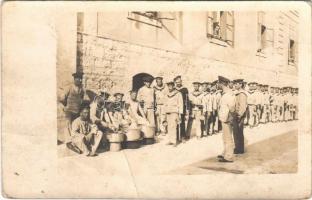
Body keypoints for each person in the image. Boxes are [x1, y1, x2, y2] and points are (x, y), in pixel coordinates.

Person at [59, 72, 89, 149]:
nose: (79, 80)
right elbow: (62, 99)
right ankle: (68, 142)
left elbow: (84, 99)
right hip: (69, 111)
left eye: (80, 79)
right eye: (78, 79)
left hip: (77, 111)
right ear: (74, 79)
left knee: (74, 126)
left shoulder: (81, 89)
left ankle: (75, 142)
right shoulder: (69, 88)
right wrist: (65, 106)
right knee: (68, 125)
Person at [217, 76, 236, 162]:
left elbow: (232, 108)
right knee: (224, 137)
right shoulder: (225, 93)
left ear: (222, 84)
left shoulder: (229, 94)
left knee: (228, 138)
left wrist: (230, 118)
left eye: (219, 83)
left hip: (227, 118)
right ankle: (225, 153)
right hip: (224, 118)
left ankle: (229, 156)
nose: (217, 84)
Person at [163, 81, 184, 146]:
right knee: (169, 127)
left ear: (173, 86)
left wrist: (180, 113)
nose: (170, 87)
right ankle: (170, 140)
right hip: (168, 111)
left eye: (171, 86)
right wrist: (164, 113)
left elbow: (180, 104)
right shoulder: (166, 94)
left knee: (174, 126)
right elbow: (165, 104)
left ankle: (174, 141)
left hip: (175, 111)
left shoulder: (178, 94)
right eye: (168, 86)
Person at [232, 79, 248, 154]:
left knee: (239, 132)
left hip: (239, 116)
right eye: (235, 84)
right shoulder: (238, 93)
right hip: (236, 115)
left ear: (241, 84)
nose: (235, 85)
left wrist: (239, 115)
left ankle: (240, 149)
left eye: (236, 84)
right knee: (236, 132)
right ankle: (238, 147)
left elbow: (243, 106)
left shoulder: (242, 94)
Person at [174, 75, 190, 142]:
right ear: (175, 82)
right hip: (175, 108)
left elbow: (187, 99)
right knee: (176, 122)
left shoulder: (185, 89)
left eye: (179, 81)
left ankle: (183, 136)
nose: (178, 83)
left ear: (181, 81)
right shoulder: (174, 89)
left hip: (183, 107)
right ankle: (177, 137)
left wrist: (187, 109)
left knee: (182, 122)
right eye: (177, 82)